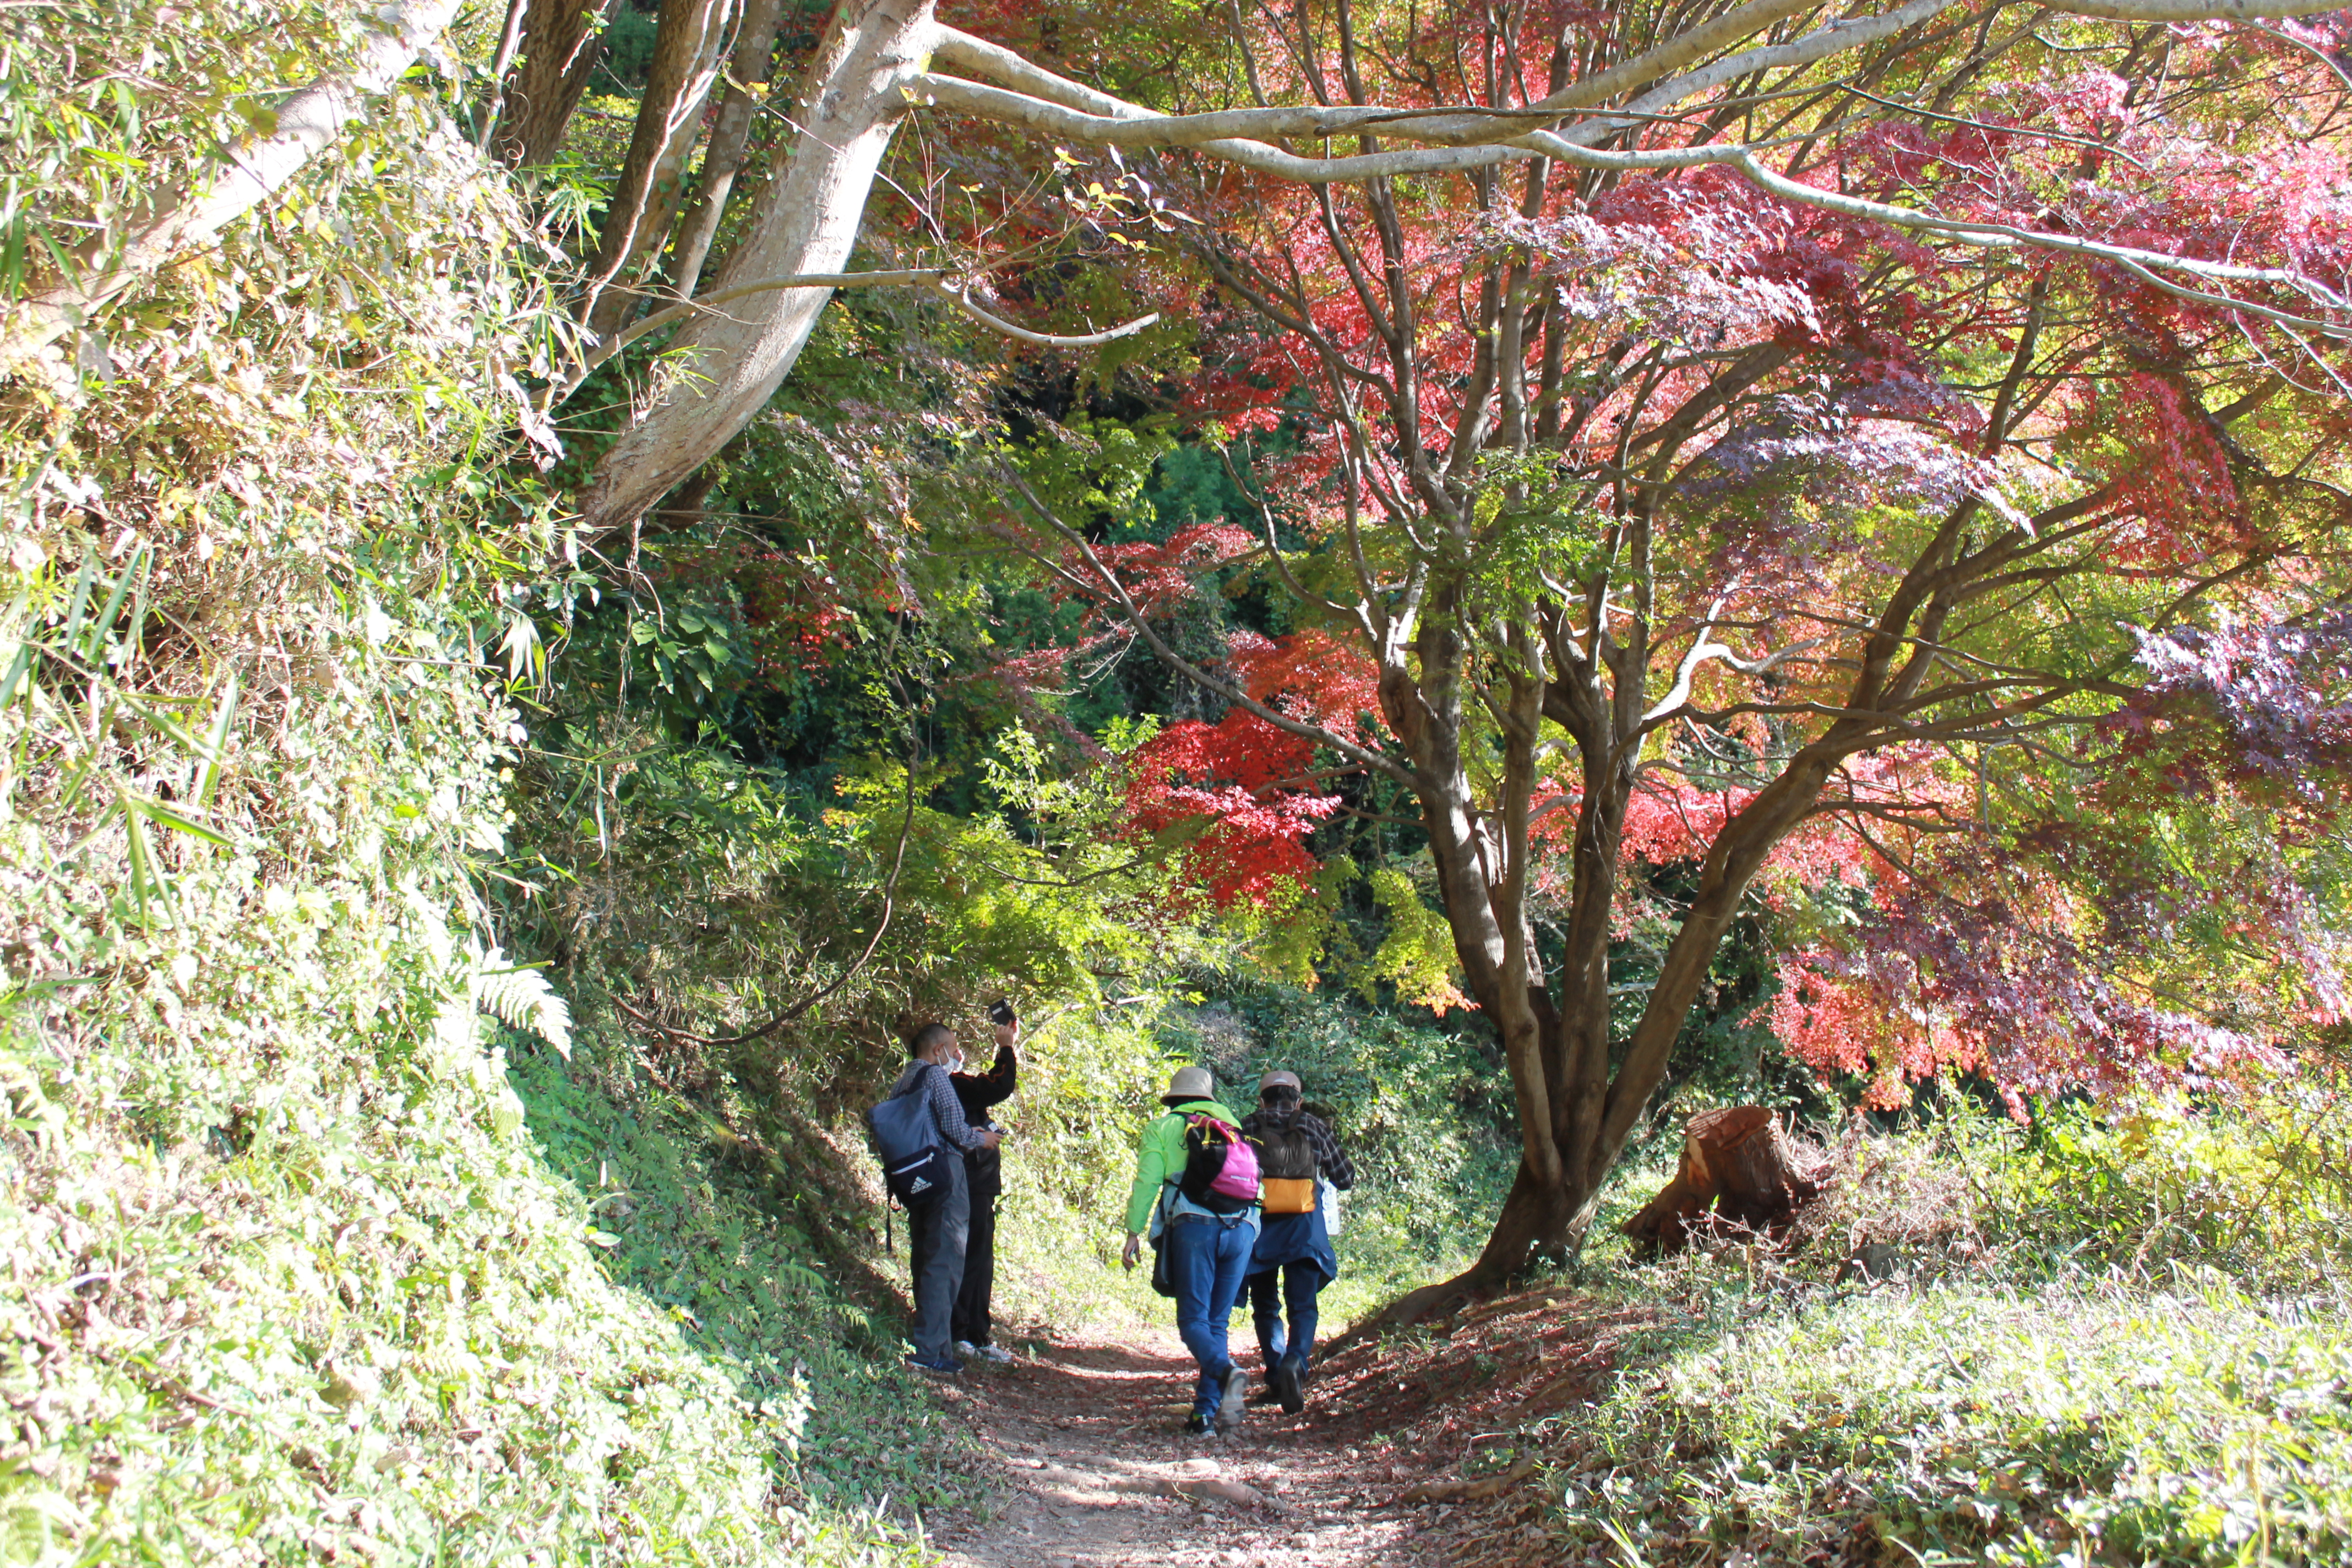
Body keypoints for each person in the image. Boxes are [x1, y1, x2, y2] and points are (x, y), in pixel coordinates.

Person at [1121, 1065, 1260, 1436]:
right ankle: (1205, 1417)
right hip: (1244, 1226)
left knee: (1193, 1322)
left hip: (1195, 1227)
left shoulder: (1164, 1128)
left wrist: (1133, 1232)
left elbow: (1148, 1181)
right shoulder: (1233, 1126)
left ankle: (1227, 1371)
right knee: (1217, 1323)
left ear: (1174, 1099)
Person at [1239, 1070, 1355, 1414]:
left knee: (1266, 1306)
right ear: (1298, 1099)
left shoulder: (1247, 1126)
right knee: (1302, 1307)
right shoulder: (1313, 1126)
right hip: (1305, 1228)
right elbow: (1345, 1178)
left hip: (1260, 1229)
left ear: (1262, 1100)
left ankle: (1276, 1376)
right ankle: (1296, 1363)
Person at [893, 1022, 1003, 1374]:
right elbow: (955, 1130)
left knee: (925, 1254)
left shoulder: (903, 1081)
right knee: (948, 1260)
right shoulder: (936, 1077)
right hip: (946, 1175)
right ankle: (929, 1351)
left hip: (916, 1179)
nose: (955, 1056)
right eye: (952, 1048)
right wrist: (982, 1139)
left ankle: (936, 1345)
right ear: (936, 1049)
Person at [950, 1009, 1020, 1364]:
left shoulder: (950, 1086)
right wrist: (1006, 1047)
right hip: (967, 1182)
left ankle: (976, 1333)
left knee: (980, 1258)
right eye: (951, 1049)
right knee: (969, 1256)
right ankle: (961, 1332)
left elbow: (990, 1086)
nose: (958, 1055)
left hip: (977, 1184)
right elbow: (999, 1086)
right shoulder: (946, 1083)